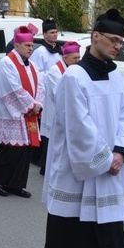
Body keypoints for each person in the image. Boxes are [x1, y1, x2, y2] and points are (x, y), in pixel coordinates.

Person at [36, 9, 124, 248]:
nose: (117, 46)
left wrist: (122, 151)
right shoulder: (74, 77)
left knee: (109, 234)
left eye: (120, 41)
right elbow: (78, 127)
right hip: (80, 171)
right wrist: (105, 159)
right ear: (95, 36)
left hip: (110, 165)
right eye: (113, 39)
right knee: (73, 231)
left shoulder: (116, 78)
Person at [0, 26, 44, 198]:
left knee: (25, 150)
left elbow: (40, 85)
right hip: (12, 112)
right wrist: (30, 105)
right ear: (17, 46)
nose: (30, 49)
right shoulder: (7, 63)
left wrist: (38, 102)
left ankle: (15, 184)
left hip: (29, 111)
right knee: (12, 149)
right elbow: (13, 88)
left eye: (31, 46)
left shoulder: (32, 64)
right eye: (26, 45)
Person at [37, 41, 81, 175]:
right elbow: (58, 93)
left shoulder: (75, 69)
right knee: (51, 141)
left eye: (79, 58)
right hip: (55, 112)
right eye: (75, 58)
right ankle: (46, 168)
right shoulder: (54, 71)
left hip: (68, 111)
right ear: (65, 57)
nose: (78, 61)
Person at [29, 18, 63, 167]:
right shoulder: (40, 52)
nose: (55, 35)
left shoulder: (58, 51)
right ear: (45, 35)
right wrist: (51, 75)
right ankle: (36, 155)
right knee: (43, 124)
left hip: (56, 88)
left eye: (56, 32)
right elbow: (36, 72)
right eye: (52, 32)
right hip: (45, 90)